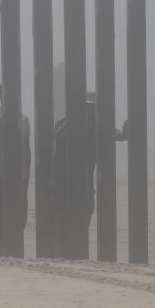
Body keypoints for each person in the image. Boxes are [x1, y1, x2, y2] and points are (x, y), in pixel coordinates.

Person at [52, 91, 127, 259]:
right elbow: (58, 137)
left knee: (80, 228)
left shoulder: (98, 128)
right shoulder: (64, 124)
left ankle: (74, 256)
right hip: (62, 190)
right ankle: (61, 257)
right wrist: (75, 121)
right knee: (61, 230)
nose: (91, 112)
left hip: (84, 191)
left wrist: (128, 129)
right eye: (87, 108)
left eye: (94, 109)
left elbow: (118, 135)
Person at [0, 83, 31, 256]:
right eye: (5, 95)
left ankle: (15, 252)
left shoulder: (24, 119)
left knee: (19, 216)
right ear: (0, 97)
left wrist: (27, 176)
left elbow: (27, 149)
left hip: (19, 175)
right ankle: (2, 253)